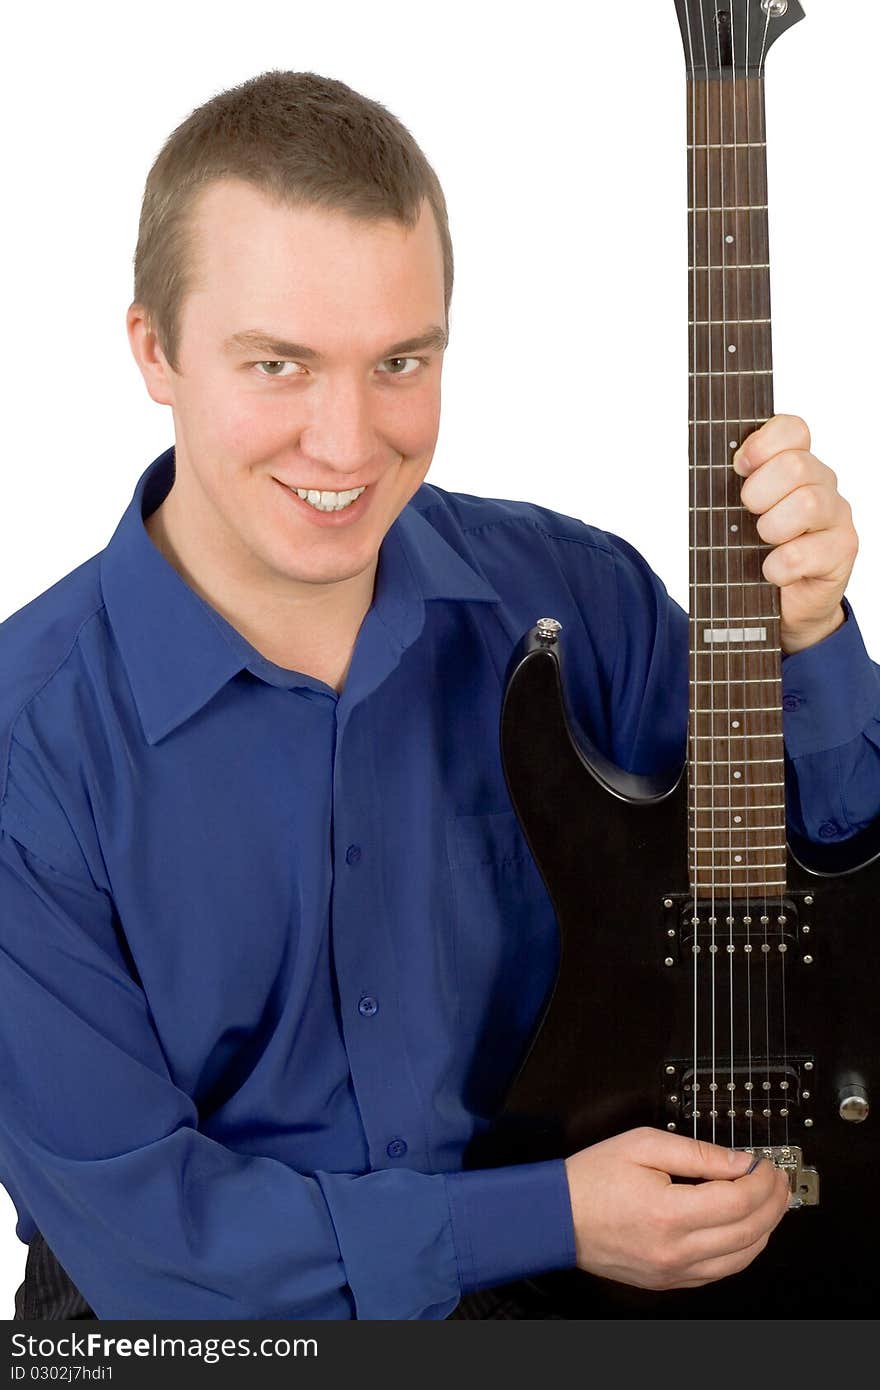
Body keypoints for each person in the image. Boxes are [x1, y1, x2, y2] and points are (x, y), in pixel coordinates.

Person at [1, 69, 878, 1323]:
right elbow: (154, 1244)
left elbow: (832, 892)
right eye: (279, 365)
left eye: (399, 361)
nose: (349, 443)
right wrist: (550, 1216)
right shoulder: (26, 749)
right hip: (207, 1333)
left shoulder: (576, 595)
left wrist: (811, 640)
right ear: (154, 348)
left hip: (583, 1300)